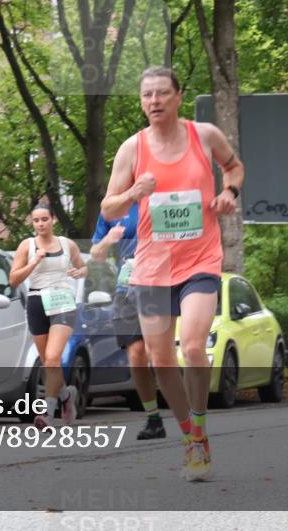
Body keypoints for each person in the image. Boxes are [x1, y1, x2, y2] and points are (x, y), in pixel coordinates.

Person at [101, 66, 244, 482]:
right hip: (152, 266)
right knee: (162, 361)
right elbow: (108, 208)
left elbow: (234, 168)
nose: (155, 101)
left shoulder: (205, 136)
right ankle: (189, 436)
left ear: (179, 96)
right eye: (147, 95)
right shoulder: (132, 149)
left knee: (195, 348)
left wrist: (228, 193)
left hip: (200, 258)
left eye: (163, 93)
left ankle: (199, 428)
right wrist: (132, 193)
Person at [89, 203, 166, 440]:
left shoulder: (160, 199)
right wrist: (108, 240)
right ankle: (153, 418)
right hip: (126, 286)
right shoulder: (112, 208)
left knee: (159, 355)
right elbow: (96, 255)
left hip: (157, 284)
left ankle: (188, 410)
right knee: (136, 355)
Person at [9, 203, 89, 429]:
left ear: (53, 219)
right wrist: (34, 262)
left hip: (62, 301)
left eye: (44, 219)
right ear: (32, 223)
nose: (40, 224)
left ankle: (48, 413)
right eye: (36, 220)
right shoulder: (27, 246)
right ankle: (66, 397)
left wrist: (78, 272)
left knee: (53, 358)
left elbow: (83, 267)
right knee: (47, 363)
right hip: (36, 301)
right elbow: (14, 279)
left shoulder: (67, 244)